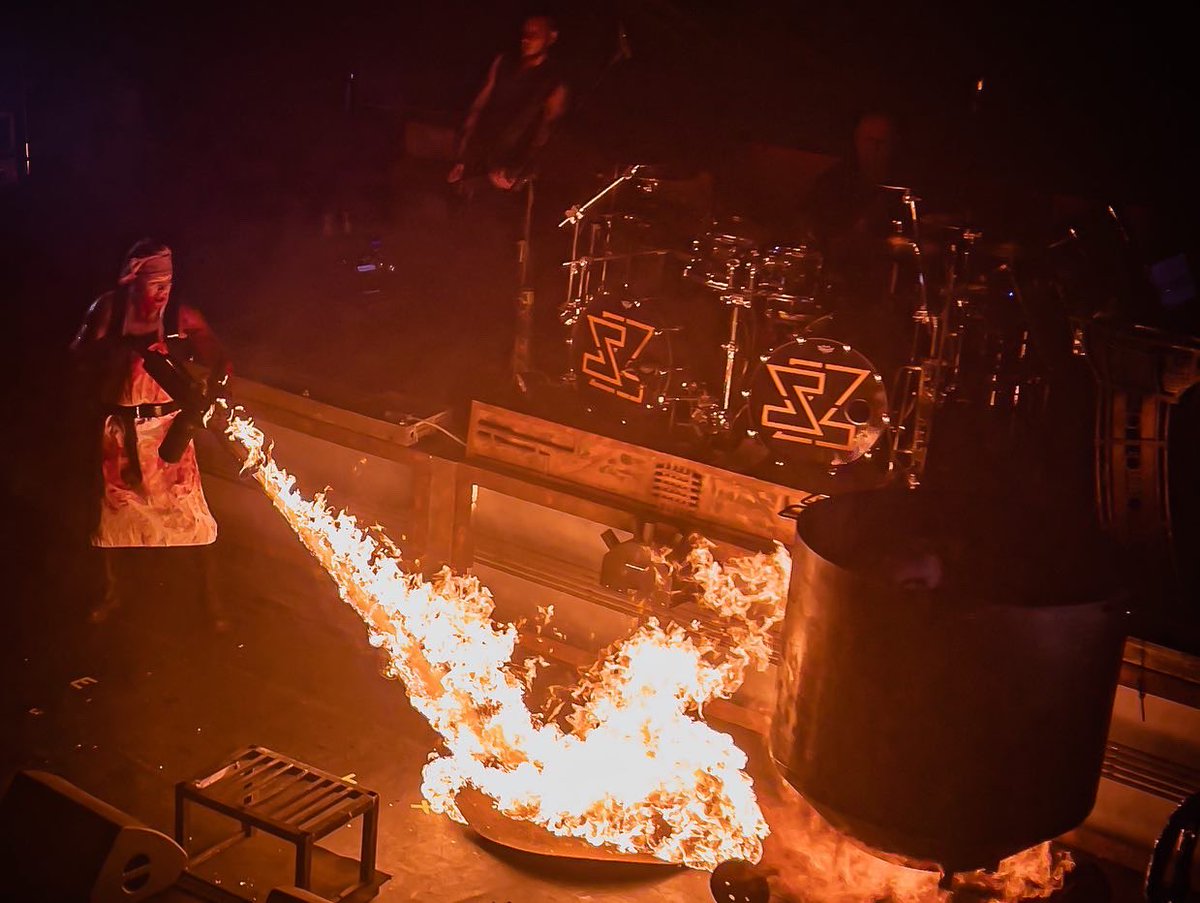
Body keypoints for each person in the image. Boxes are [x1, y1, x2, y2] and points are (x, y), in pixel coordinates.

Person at [70, 239, 231, 628]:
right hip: (120, 431)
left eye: (168, 284)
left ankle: (211, 600)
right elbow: (77, 355)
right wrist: (111, 351)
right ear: (134, 281)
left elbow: (219, 356)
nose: (163, 293)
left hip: (168, 432)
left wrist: (215, 388)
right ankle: (110, 593)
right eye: (156, 285)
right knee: (111, 517)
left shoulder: (179, 316)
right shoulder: (110, 310)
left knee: (192, 517)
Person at [446, 14, 569, 197]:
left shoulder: (553, 81)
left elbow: (547, 131)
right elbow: (478, 107)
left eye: (535, 34)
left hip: (507, 171)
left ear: (551, 37)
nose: (526, 39)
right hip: (477, 157)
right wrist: (463, 155)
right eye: (525, 32)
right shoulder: (503, 62)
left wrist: (520, 168)